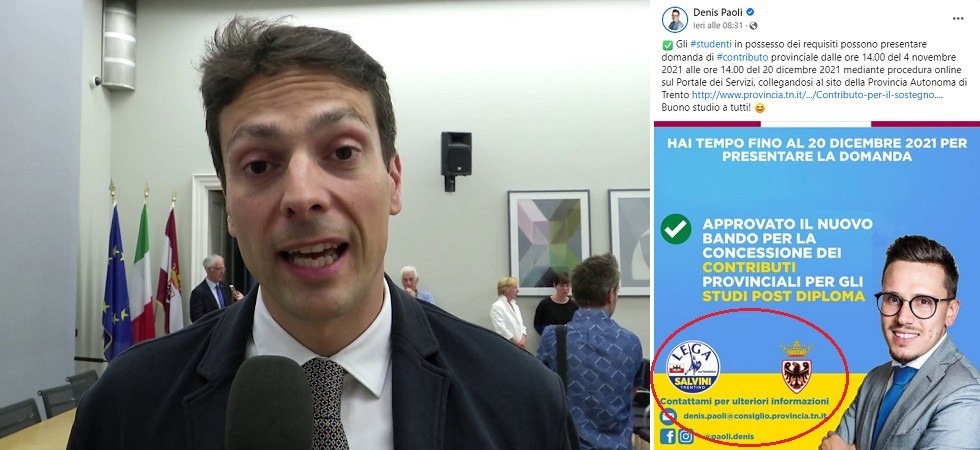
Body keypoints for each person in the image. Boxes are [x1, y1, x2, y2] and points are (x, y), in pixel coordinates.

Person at [69, 17, 578, 449]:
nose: (302, 195)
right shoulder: (124, 408)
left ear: (394, 181)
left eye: (342, 152)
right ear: (229, 207)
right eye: (260, 164)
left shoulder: (522, 401)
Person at [821, 235, 980, 450]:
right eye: (893, 299)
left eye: (923, 301)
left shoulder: (966, 392)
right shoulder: (873, 380)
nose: (903, 318)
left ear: (950, 312)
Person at [538, 253, 644, 450]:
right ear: (611, 294)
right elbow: (630, 394)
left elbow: (541, 394)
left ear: (575, 293)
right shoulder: (631, 343)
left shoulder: (552, 338)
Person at [189, 254, 243, 322]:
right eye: (219, 269)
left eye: (223, 268)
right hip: (211, 327)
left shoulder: (226, 287)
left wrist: (240, 300)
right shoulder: (198, 292)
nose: (223, 272)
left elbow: (229, 308)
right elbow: (196, 318)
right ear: (209, 269)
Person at [490, 276, 527, 348]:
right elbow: (501, 329)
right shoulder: (497, 306)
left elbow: (521, 326)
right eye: (515, 287)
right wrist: (515, 343)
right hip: (507, 346)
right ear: (506, 289)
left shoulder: (515, 306)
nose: (518, 290)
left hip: (519, 346)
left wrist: (523, 340)